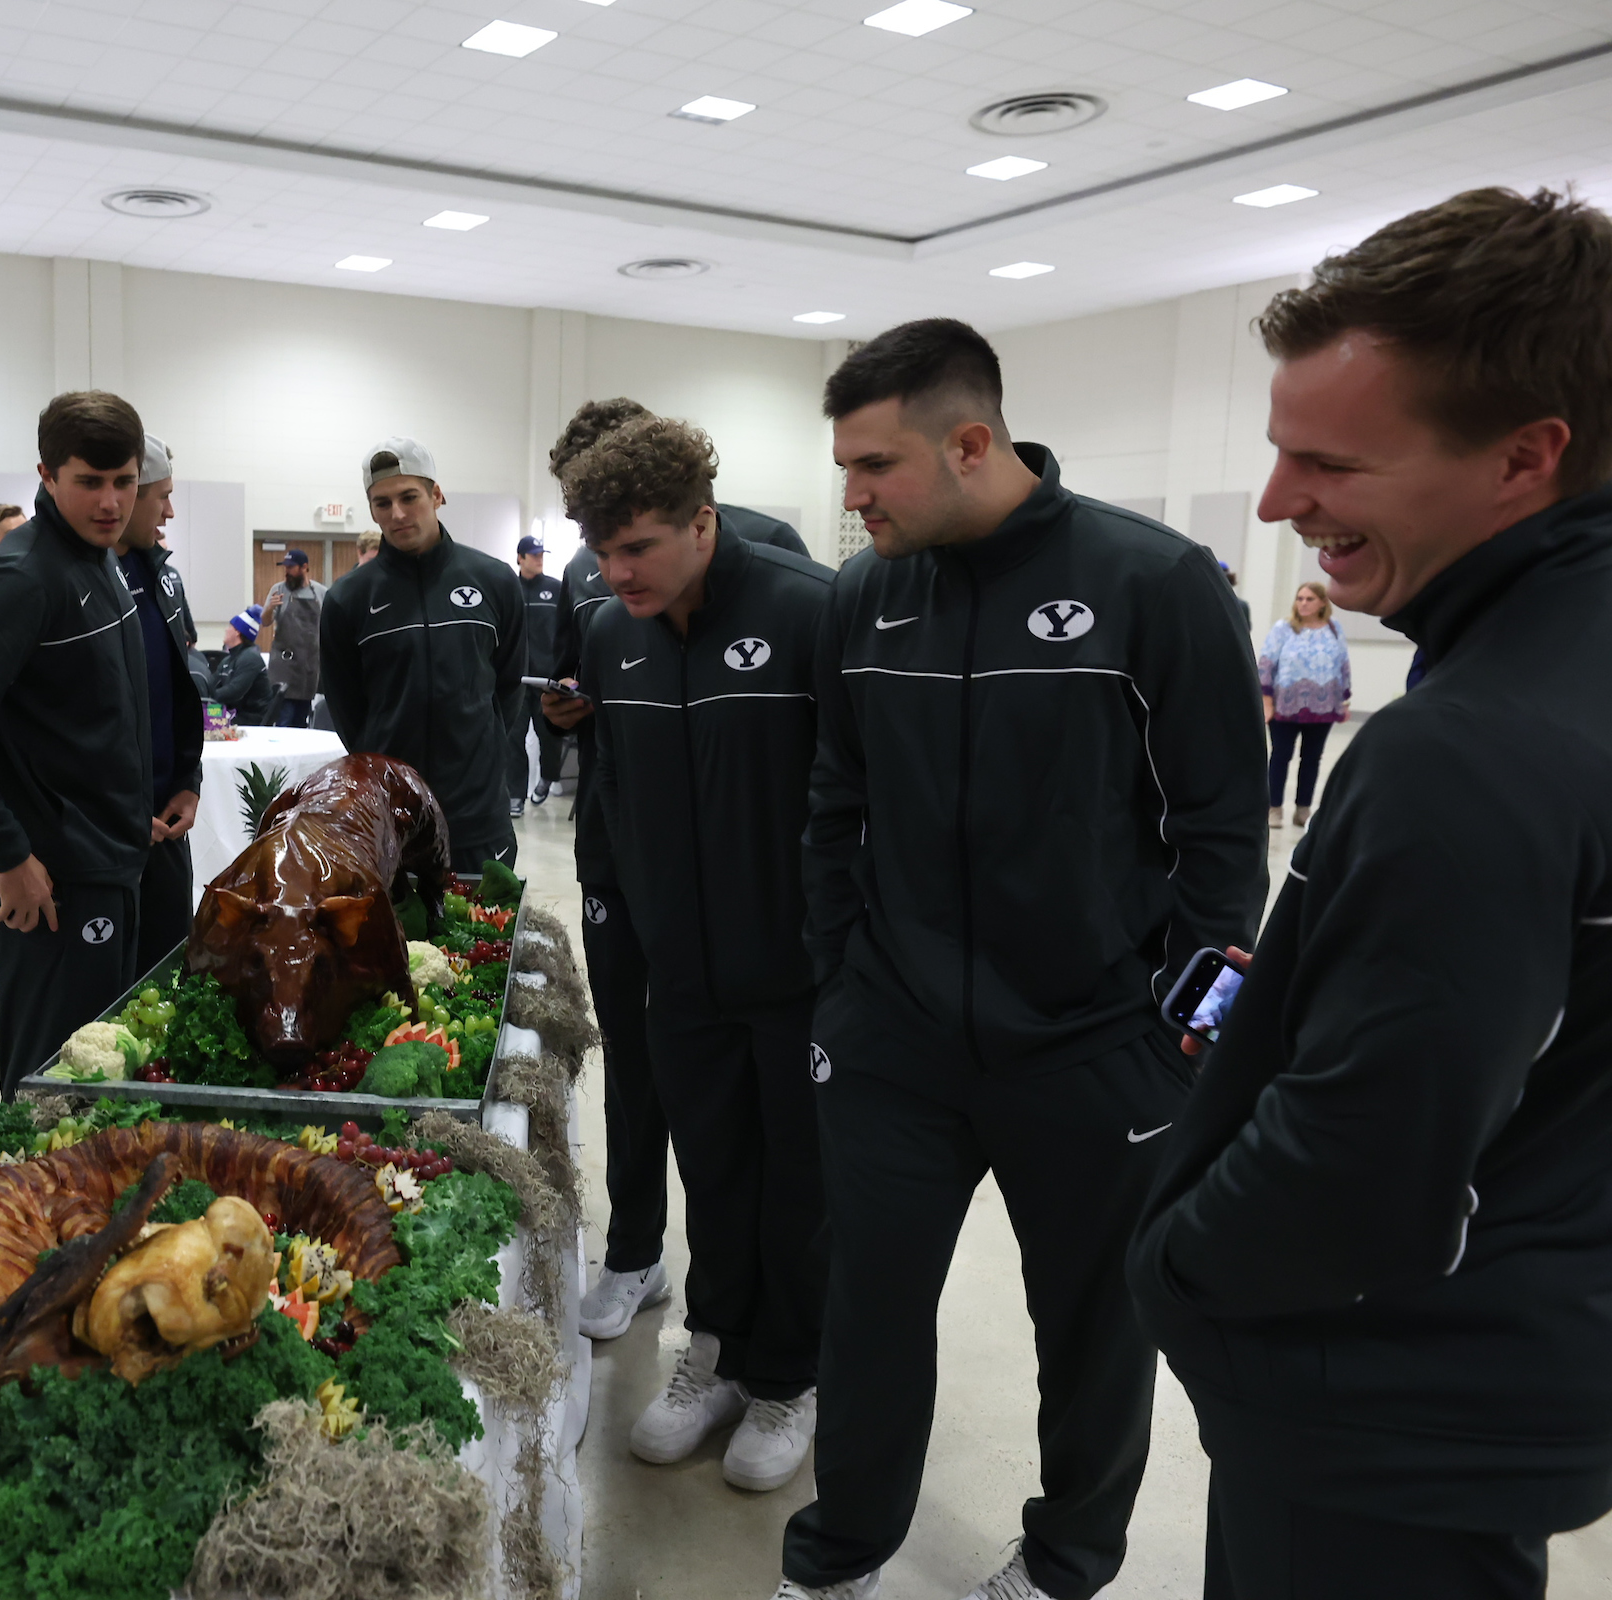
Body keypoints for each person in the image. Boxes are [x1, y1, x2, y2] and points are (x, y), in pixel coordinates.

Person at [1130, 185, 1612, 1600]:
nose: (1278, 502)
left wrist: (1173, 1268)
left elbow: (1361, 1168)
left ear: (1525, 456)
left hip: (1387, 1407)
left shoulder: (1466, 752)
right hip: (1526, 1343)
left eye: (1329, 461)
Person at [782, 319, 1267, 1600]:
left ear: (969, 443)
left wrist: (1181, 1037)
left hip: (1097, 1048)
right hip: (894, 1042)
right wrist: (841, 982)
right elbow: (835, 802)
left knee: (1096, 1331)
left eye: (875, 465)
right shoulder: (863, 597)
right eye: (845, 466)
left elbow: (1224, 836)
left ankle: (1065, 1562)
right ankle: (839, 1554)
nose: (852, 495)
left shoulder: (1154, 582)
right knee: (867, 1310)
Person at [563, 415, 837, 1495]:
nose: (618, 571)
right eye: (603, 550)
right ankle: (717, 1352)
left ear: (703, 523)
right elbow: (615, 784)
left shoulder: (809, 610)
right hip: (680, 970)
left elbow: (858, 797)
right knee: (713, 1167)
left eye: (639, 547)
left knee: (799, 1183)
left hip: (800, 973)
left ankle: (790, 1377)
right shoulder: (609, 635)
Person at [0, 391, 155, 1094]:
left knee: (104, 1083)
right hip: (55, 884)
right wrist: (9, 853)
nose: (110, 502)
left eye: (124, 482)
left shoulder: (96, 559)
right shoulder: (21, 577)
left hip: (111, 863)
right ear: (47, 475)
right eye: (89, 481)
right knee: (55, 1087)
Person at [318, 437, 524, 871]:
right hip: (392, 818)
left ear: (437, 495)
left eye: (409, 497)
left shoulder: (494, 580)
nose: (397, 513)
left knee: (485, 916)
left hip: (478, 816)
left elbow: (508, 686)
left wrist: (483, 754)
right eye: (382, 503)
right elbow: (347, 709)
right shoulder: (348, 600)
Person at [117, 432, 206, 971]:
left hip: (167, 823)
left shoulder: (162, 576)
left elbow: (177, 691)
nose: (170, 512)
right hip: (101, 838)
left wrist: (188, 781)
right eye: (163, 496)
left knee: (171, 975)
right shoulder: (68, 579)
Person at [1258, 580, 1350, 827]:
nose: (1303, 603)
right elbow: (1266, 664)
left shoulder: (1334, 629)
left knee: (1312, 758)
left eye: (1309, 599)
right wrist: (1267, 701)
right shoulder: (1284, 628)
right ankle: (1274, 808)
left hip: (1323, 707)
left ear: (1322, 603)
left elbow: (1343, 665)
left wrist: (1344, 701)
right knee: (1280, 756)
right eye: (1300, 599)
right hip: (1285, 706)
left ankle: (1303, 809)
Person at [509, 532, 562, 815]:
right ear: (520, 558)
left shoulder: (556, 589)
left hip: (547, 679)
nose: (539, 559)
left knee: (549, 736)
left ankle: (548, 777)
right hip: (516, 679)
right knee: (513, 738)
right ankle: (515, 795)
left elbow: (566, 632)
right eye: (534, 555)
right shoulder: (509, 589)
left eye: (541, 555)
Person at [260, 548, 324, 728]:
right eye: (285, 567)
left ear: (304, 567)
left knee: (301, 721)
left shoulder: (320, 592)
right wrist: (270, 608)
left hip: (308, 666)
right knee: (284, 718)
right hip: (284, 665)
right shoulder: (278, 590)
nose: (286, 571)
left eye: (291, 567)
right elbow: (265, 622)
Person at [210, 605, 278, 723]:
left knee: (207, 722)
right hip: (233, 713)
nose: (226, 630)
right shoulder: (228, 660)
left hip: (251, 718)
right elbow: (212, 684)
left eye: (230, 627)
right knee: (203, 717)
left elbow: (235, 691)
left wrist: (209, 696)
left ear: (238, 632)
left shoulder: (250, 658)